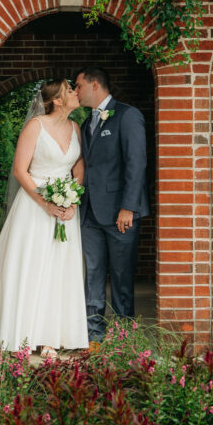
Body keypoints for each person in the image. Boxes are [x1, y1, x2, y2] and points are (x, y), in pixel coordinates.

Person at [0, 79, 89, 356]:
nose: (75, 93)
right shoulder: (36, 126)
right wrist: (46, 204)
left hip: (66, 210)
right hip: (35, 208)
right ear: (57, 100)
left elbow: (78, 167)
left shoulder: (76, 127)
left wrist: (73, 199)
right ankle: (24, 334)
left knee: (60, 271)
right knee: (32, 267)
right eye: (70, 90)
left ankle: (51, 338)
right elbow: (21, 170)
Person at [74, 67, 149, 343]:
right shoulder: (84, 124)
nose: (76, 91)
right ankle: (94, 333)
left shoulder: (128, 116)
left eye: (79, 86)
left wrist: (129, 207)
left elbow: (136, 163)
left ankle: (124, 335)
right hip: (90, 213)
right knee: (92, 273)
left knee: (121, 275)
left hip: (121, 212)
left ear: (95, 84)